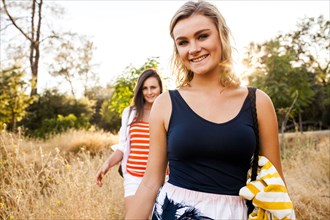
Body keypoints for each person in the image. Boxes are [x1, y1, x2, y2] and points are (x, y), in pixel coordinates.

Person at [125, 1, 285, 219]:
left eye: (202, 36)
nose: (193, 49)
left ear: (222, 36)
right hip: (174, 212)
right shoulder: (166, 103)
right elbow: (151, 183)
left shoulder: (258, 102)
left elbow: (276, 188)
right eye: (183, 42)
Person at [95, 69, 163, 215]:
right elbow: (123, 147)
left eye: (153, 87)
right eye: (145, 88)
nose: (149, 92)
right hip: (134, 176)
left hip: (160, 178)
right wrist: (106, 165)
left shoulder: (166, 111)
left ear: (160, 88)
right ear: (140, 90)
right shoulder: (130, 113)